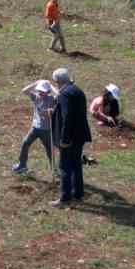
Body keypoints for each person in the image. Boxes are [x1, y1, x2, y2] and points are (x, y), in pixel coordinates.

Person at [50, 67, 90, 207]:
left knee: (65, 167)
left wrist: (65, 139)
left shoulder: (65, 94)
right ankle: (78, 195)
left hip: (70, 138)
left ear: (59, 81)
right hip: (79, 135)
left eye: (56, 82)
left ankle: (65, 198)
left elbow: (67, 117)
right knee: (76, 165)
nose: (56, 85)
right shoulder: (77, 90)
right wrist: (54, 111)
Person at [12, 79, 56, 175]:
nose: (40, 93)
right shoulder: (36, 97)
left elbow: (59, 95)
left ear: (47, 92)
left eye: (43, 91)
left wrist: (50, 85)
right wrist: (36, 82)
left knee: (49, 150)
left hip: (46, 130)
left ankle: (54, 170)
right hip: (35, 128)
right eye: (39, 90)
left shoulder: (52, 99)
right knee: (25, 143)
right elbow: (24, 90)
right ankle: (22, 165)